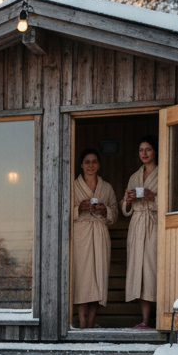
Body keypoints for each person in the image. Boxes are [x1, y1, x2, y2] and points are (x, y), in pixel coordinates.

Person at [72, 148, 118, 329]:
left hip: (99, 233)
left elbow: (114, 213)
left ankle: (91, 321)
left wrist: (104, 210)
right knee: (83, 277)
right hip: (81, 234)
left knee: (98, 277)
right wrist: (79, 209)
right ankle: (82, 321)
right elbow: (64, 210)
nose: (90, 165)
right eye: (87, 162)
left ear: (99, 164)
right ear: (81, 165)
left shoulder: (106, 187)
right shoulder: (73, 186)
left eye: (94, 162)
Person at [122, 135, 159, 328]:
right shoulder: (134, 176)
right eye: (141, 150)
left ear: (156, 151)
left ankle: (161, 317)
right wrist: (128, 201)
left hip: (153, 225)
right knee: (140, 273)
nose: (144, 153)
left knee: (152, 269)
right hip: (137, 225)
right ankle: (145, 320)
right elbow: (124, 208)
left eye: (148, 149)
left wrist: (154, 198)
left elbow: (174, 202)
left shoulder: (164, 173)